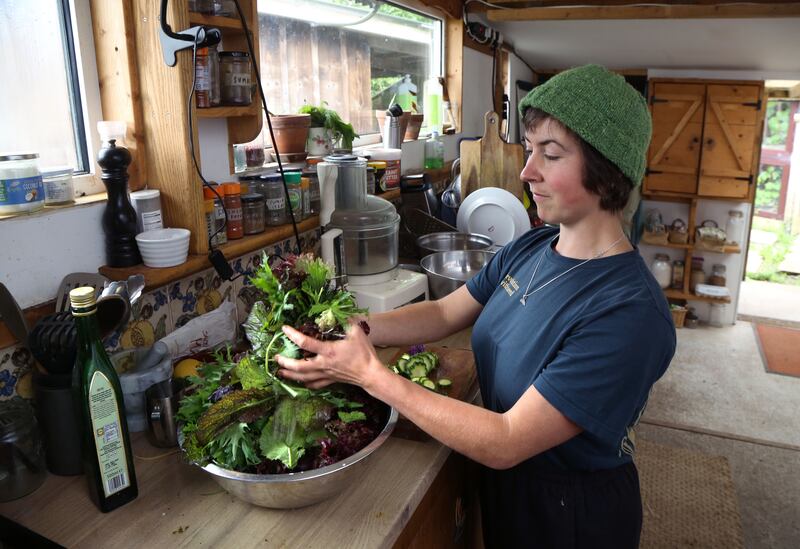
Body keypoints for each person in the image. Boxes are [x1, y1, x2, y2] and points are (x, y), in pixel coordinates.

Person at [275, 64, 676, 549]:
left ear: (607, 169)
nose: (528, 171)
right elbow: (446, 313)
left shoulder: (629, 313)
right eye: (530, 151)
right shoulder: (531, 248)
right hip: (510, 492)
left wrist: (373, 377)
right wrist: (358, 327)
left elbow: (507, 439)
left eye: (550, 154)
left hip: (571, 517)